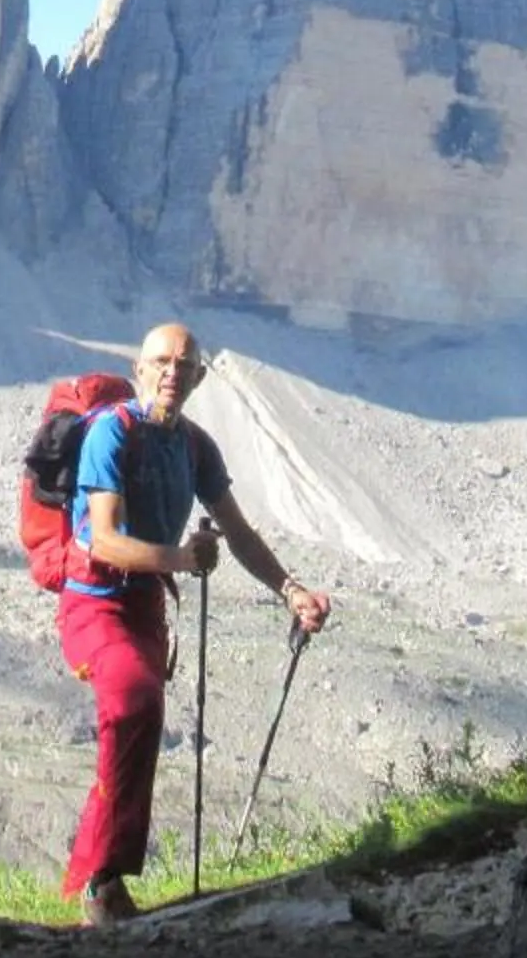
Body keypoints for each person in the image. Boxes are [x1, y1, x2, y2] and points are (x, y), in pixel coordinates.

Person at [59, 321, 333, 924]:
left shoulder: (196, 447)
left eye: (184, 366)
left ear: (200, 378)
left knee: (138, 718)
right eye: (161, 362)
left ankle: (99, 877)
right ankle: (101, 882)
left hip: (146, 604)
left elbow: (238, 532)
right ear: (139, 370)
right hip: (95, 601)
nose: (172, 374)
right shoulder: (110, 433)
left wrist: (290, 591)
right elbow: (104, 539)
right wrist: (182, 559)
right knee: (133, 704)